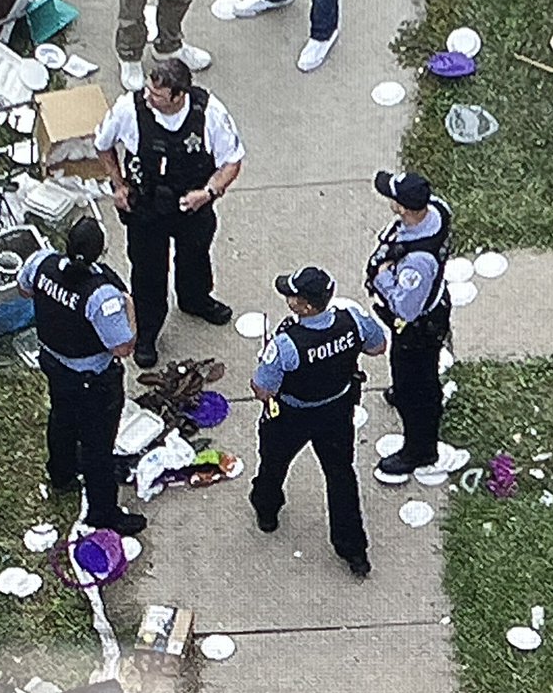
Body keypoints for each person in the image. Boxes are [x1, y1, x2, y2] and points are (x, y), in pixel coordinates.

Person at [95, 57, 243, 368]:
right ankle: (147, 333)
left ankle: (195, 300)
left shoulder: (210, 113)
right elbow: (103, 144)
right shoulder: (129, 109)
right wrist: (118, 185)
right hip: (146, 211)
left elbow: (232, 160)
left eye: (157, 95)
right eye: (148, 90)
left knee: (195, 258)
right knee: (147, 273)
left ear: (179, 95)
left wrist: (209, 192)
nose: (148, 98)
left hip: (193, 207)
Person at [249, 267, 387, 578]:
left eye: (292, 296)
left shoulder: (286, 344)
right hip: (337, 411)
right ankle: (354, 551)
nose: (288, 299)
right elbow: (378, 347)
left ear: (306, 306)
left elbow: (263, 390)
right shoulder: (351, 317)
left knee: (273, 463)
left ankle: (267, 511)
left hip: (292, 416)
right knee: (341, 476)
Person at [18, 217, 147, 536]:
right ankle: (104, 513)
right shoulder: (102, 295)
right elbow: (123, 347)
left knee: (61, 418)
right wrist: (130, 308)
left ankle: (61, 473)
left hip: (53, 363)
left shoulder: (41, 262)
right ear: (100, 251)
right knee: (97, 446)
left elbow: (23, 290)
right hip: (92, 381)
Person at [365, 170, 452, 477]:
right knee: (413, 378)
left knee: (417, 386)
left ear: (403, 208)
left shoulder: (417, 263)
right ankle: (406, 391)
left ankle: (420, 449)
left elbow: (407, 308)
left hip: (418, 329)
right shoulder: (438, 209)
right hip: (435, 305)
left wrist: (384, 276)